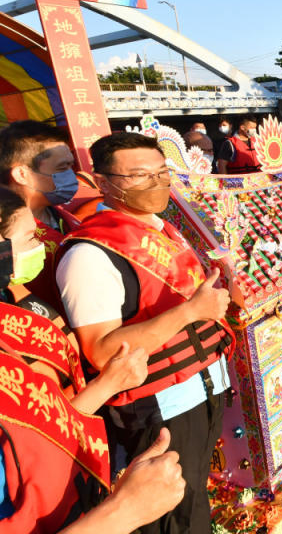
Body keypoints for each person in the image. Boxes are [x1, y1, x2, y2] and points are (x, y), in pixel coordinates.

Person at [56, 132, 234, 534]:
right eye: (138, 176)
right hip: (158, 404)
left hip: (201, 384)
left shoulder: (164, 230)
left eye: (162, 173)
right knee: (168, 516)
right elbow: (103, 352)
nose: (156, 184)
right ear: (104, 182)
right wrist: (190, 312)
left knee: (193, 497)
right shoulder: (90, 254)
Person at [0, 186, 186, 534]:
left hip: (70, 489)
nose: (40, 246)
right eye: (28, 240)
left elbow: (45, 420)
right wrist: (123, 513)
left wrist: (107, 386)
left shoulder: (15, 301)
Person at [0, 121, 84, 317]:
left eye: (72, 166)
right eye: (62, 168)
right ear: (22, 174)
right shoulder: (7, 236)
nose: (72, 176)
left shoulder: (71, 219)